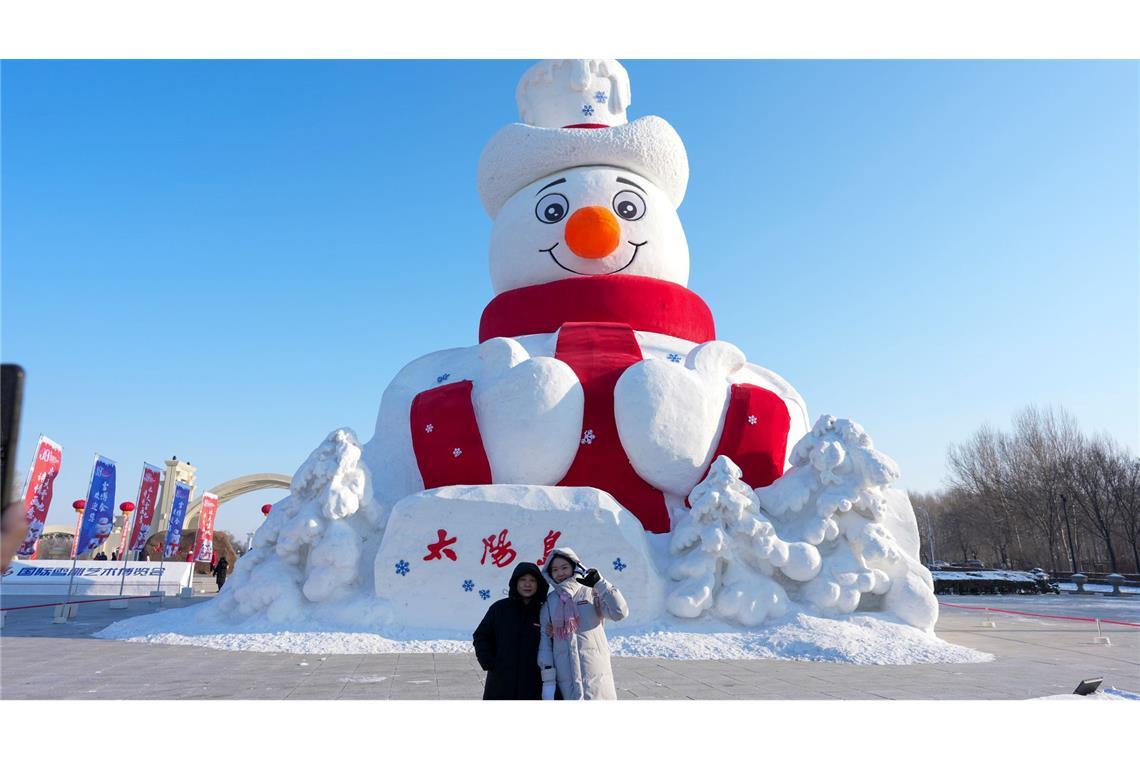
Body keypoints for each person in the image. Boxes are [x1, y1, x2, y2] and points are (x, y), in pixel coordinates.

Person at [538, 546, 627, 700]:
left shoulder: (592, 592)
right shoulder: (550, 602)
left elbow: (619, 613)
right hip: (565, 674)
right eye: (555, 570)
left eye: (564, 568)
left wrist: (600, 583)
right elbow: (545, 642)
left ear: (574, 567)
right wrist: (548, 680)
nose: (560, 573)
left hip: (595, 671)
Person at [472, 562, 549, 699]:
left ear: (539, 584)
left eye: (532, 580)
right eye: (523, 580)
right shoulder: (499, 609)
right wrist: (488, 661)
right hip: (501, 680)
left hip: (534, 681)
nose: (527, 584)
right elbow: (481, 636)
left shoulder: (545, 610)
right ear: (515, 582)